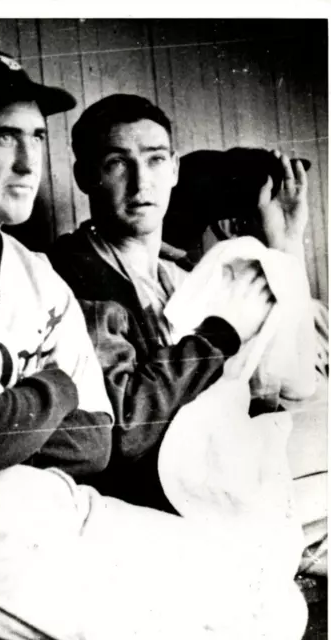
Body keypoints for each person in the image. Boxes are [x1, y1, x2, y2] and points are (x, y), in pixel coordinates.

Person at [0, 50, 307, 640]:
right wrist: (60, 383)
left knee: (267, 599)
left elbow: (95, 443)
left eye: (37, 138)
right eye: (3, 137)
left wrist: (16, 412)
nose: (27, 163)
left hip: (41, 499)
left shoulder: (35, 272)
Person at [48, 94, 323, 513]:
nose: (142, 183)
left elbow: (295, 386)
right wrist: (219, 336)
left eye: (156, 160)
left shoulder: (179, 275)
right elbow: (126, 432)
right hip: (155, 484)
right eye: (118, 163)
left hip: (213, 458)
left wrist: (285, 243)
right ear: (85, 175)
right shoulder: (71, 273)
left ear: (174, 168)